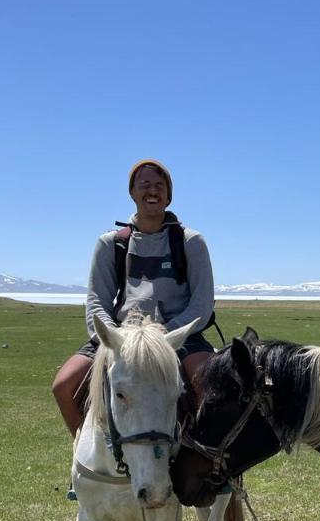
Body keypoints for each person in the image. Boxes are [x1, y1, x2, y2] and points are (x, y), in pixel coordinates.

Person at [52, 159, 216, 437]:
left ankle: (208, 468)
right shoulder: (111, 243)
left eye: (159, 186)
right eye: (145, 184)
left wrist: (164, 335)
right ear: (132, 192)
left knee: (212, 388)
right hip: (121, 337)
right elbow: (96, 302)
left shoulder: (190, 241)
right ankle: (85, 453)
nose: (153, 191)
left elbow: (202, 304)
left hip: (179, 336)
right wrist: (116, 339)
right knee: (64, 386)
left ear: (169, 194)